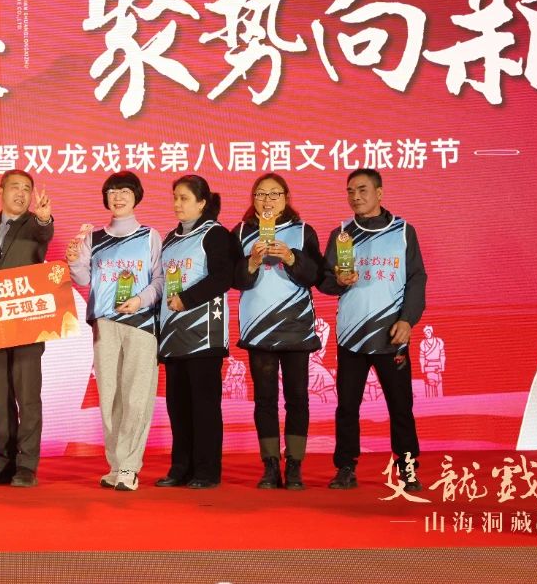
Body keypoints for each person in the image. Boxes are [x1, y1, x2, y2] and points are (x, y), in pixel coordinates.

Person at [318, 168, 427, 492]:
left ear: (379, 193)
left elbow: (416, 278)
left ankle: (408, 467)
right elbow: (324, 281)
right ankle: (345, 468)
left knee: (400, 405)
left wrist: (407, 320)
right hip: (351, 336)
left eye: (362, 190)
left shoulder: (403, 232)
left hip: (391, 335)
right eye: (350, 191)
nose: (356, 197)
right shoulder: (342, 234)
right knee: (347, 406)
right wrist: (339, 281)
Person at [68, 170, 163, 492]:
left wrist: (140, 300)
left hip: (141, 323)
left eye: (124, 191)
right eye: (112, 192)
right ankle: (115, 465)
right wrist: (74, 261)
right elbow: (83, 279)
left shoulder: (150, 236)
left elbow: (159, 280)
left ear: (136, 197)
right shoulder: (93, 238)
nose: (118, 197)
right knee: (109, 397)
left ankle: (129, 467)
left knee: (137, 396)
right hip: (105, 324)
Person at [233, 172, 322, 491]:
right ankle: (270, 466)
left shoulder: (302, 231)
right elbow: (234, 279)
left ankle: (294, 465)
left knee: (297, 398)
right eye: (260, 194)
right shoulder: (241, 232)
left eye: (274, 194)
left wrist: (291, 257)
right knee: (265, 399)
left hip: (296, 327)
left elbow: (315, 275)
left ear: (285, 199)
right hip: (258, 328)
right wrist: (252, 262)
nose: (267, 200)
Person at [0, 169, 54, 488]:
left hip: (27, 321)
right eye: (15, 187)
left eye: (27, 188)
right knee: (0, 397)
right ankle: (4, 462)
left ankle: (27, 465)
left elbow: (45, 233)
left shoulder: (36, 223)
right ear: (0, 190)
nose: (21, 193)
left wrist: (44, 219)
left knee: (27, 396)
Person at [155, 175, 239, 489]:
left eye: (184, 198)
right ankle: (181, 468)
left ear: (202, 203)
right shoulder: (170, 239)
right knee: (178, 407)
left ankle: (206, 471)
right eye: (175, 197)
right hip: (173, 336)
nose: (177, 204)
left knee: (204, 407)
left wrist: (187, 299)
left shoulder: (214, 234)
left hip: (204, 335)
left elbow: (224, 277)